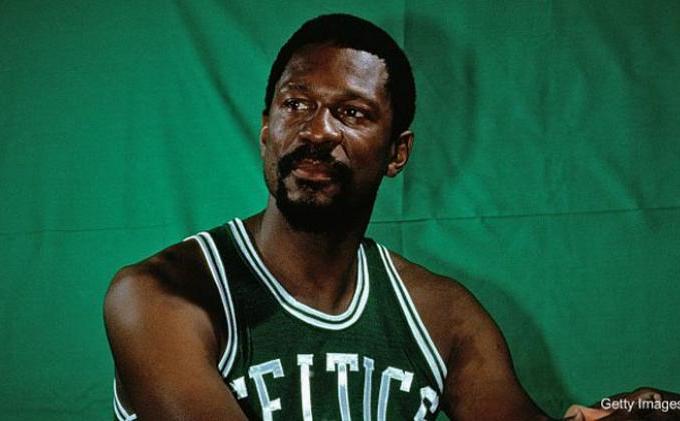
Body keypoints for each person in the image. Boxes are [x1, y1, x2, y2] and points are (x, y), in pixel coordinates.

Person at [104, 14, 678, 421]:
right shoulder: (159, 296)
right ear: (265, 131)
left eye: (352, 112)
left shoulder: (442, 316)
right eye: (296, 104)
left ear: (397, 153)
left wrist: (629, 410)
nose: (317, 131)